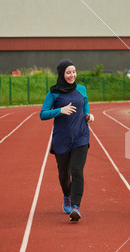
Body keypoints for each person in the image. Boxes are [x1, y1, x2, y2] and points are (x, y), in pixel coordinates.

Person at [40, 59, 94, 222]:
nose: (72, 75)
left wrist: (89, 116)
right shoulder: (53, 93)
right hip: (62, 139)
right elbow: (43, 114)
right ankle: (67, 196)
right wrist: (60, 110)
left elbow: (85, 106)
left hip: (81, 137)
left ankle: (76, 207)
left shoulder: (82, 89)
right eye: (68, 72)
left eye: (74, 72)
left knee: (77, 170)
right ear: (62, 74)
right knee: (64, 174)